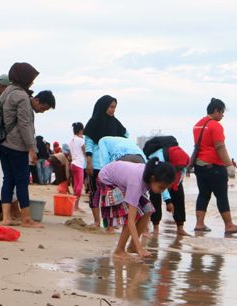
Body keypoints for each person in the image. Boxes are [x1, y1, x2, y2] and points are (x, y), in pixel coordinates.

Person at [97, 158, 176, 260]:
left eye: (165, 189)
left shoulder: (149, 176)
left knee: (148, 209)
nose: (162, 191)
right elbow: (130, 220)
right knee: (132, 215)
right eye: (161, 188)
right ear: (152, 178)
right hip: (107, 181)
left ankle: (132, 246)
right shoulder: (137, 182)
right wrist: (140, 249)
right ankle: (119, 250)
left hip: (121, 181)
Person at [0, 62, 41, 227]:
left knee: (8, 180)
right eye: (31, 78)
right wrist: (32, 147)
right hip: (16, 145)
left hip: (2, 143)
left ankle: (6, 218)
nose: (32, 82)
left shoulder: (7, 91)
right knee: (22, 181)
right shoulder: (22, 96)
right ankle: (26, 218)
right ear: (24, 77)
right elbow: (24, 124)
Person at [191, 98, 237, 234]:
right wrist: (229, 165)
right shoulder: (216, 126)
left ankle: (199, 224)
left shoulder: (197, 125)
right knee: (221, 196)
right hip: (214, 167)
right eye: (222, 112)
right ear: (216, 111)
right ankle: (229, 225)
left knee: (203, 195)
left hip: (199, 166)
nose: (222, 115)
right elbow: (220, 147)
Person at [84, 95, 128, 228]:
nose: (113, 110)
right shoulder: (93, 122)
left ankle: (109, 224)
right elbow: (89, 143)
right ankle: (97, 221)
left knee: (110, 195)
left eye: (114, 107)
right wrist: (89, 162)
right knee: (94, 193)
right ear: (103, 106)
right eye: (111, 107)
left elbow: (126, 136)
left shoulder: (116, 123)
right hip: (96, 164)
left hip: (111, 165)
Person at [146, 145, 191, 236]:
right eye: (178, 166)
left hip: (170, 170)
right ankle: (156, 228)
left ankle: (180, 228)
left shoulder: (185, 160)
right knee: (155, 195)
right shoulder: (160, 158)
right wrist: (168, 201)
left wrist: (176, 185)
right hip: (157, 173)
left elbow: (181, 175)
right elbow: (162, 185)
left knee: (179, 195)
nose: (180, 168)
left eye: (181, 167)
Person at [69, 122, 86, 210]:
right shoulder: (81, 140)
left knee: (75, 184)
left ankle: (74, 205)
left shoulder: (72, 140)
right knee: (79, 185)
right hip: (79, 164)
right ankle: (76, 206)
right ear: (81, 130)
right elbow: (85, 151)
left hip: (73, 163)